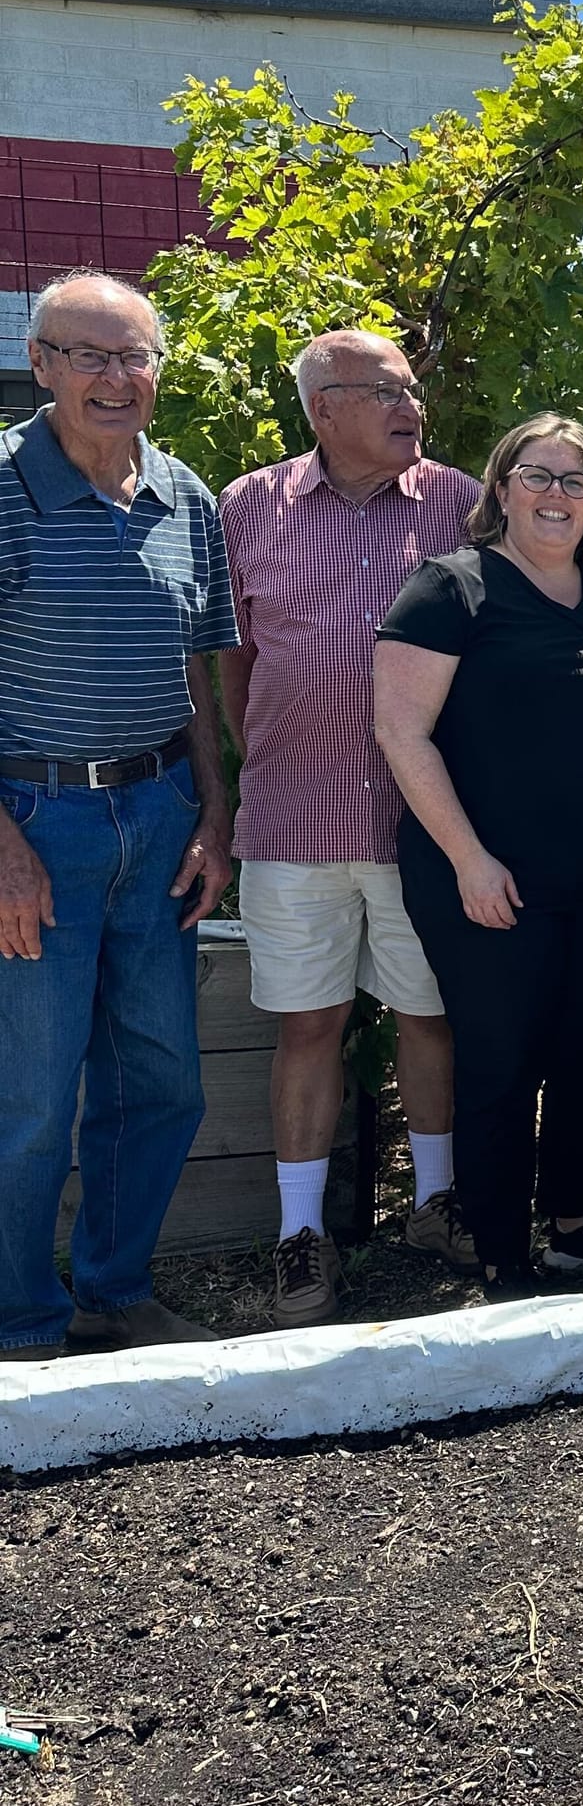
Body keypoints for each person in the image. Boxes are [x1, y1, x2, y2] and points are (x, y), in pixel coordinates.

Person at [218, 330, 482, 1326]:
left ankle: (434, 1206)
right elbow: (231, 658)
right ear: (323, 406)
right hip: (298, 815)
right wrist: (271, 752)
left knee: (430, 1014)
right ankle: (300, 1237)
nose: (410, 404)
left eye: (413, 386)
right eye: (384, 391)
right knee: (308, 1024)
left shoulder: (460, 503)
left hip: (425, 821)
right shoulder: (251, 507)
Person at [0, 271, 235, 1359]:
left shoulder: (185, 494)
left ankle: (112, 1288)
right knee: (33, 1104)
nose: (113, 377)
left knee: (160, 1083)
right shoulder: (2, 489)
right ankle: (21, 1322)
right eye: (87, 354)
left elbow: (202, 678)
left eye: (133, 355)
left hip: (159, 820)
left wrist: (213, 816)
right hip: (35, 823)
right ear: (39, 362)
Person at [373, 414, 583, 1294]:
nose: (557, 495)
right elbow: (402, 733)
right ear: (501, 488)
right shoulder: (451, 589)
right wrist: (467, 857)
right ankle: (501, 1254)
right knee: (499, 1060)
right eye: (539, 475)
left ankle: (573, 1223)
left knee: (582, 1054)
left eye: (578, 482)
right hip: (485, 879)